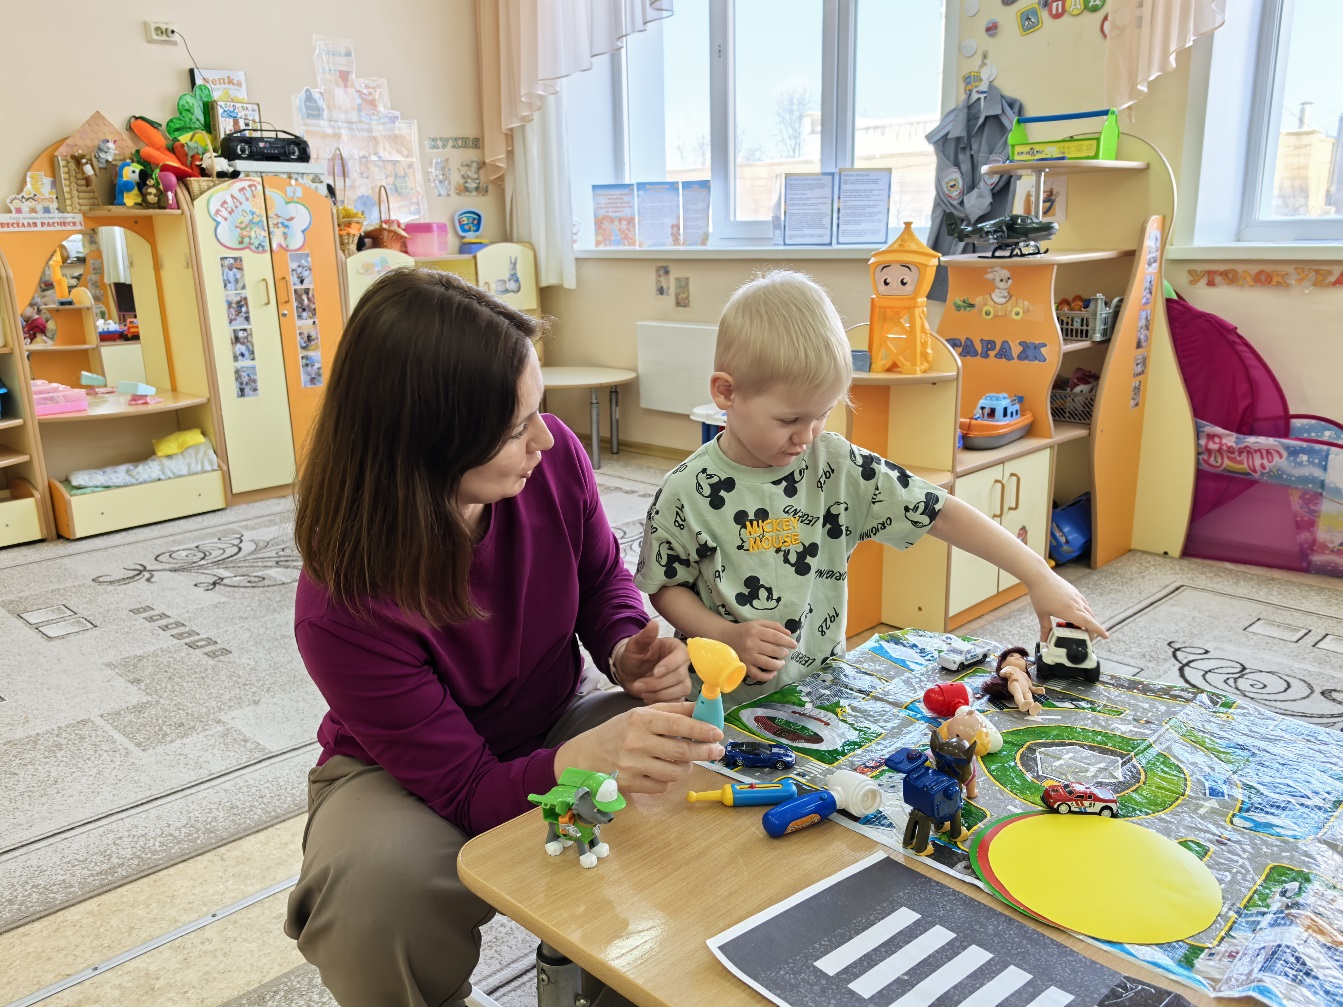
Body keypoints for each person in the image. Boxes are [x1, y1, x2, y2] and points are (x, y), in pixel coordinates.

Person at [283, 268, 722, 1007]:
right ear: (425, 442)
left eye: (537, 410)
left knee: (691, 762)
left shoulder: (552, 464)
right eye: (516, 427)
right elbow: (464, 787)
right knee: (373, 896)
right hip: (406, 774)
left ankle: (629, 974)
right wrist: (576, 766)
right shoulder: (340, 603)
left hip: (551, 717)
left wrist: (626, 648)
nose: (545, 438)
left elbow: (600, 578)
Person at [636, 270, 1107, 697]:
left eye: (823, 414)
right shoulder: (686, 490)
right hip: (719, 699)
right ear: (726, 392)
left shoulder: (836, 464)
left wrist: (1038, 574)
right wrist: (725, 634)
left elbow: (938, 512)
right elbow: (665, 586)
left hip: (820, 690)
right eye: (789, 419)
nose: (807, 436)